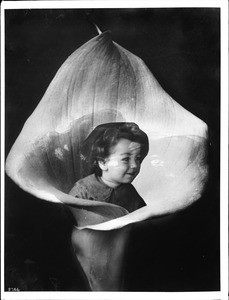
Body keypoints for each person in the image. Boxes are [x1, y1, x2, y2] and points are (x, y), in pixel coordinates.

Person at [69, 122, 149, 213]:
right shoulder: (82, 191)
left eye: (137, 158)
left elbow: (142, 217)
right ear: (103, 162)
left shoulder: (129, 191)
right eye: (126, 159)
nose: (134, 165)